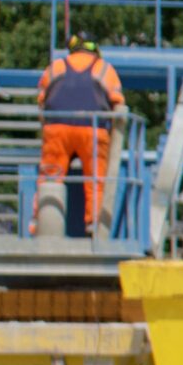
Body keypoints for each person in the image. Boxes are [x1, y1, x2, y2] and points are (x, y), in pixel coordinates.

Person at [33, 34, 125, 236]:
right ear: (95, 49)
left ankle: (41, 225)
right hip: (92, 131)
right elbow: (118, 102)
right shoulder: (104, 69)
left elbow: (41, 102)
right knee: (95, 180)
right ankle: (94, 227)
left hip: (57, 128)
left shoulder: (55, 67)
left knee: (50, 178)